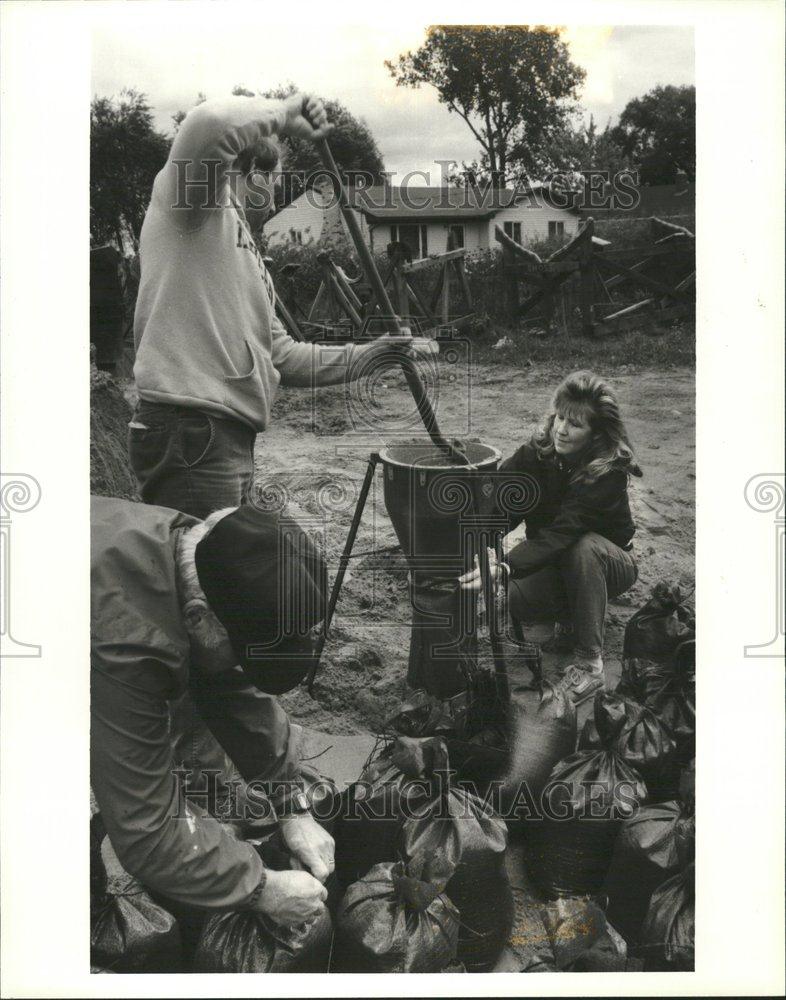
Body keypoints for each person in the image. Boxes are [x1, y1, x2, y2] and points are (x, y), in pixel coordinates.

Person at [129, 90, 434, 519]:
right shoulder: (190, 208)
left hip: (224, 436)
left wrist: (374, 354)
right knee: (211, 578)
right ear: (250, 171)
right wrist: (286, 113)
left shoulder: (244, 252)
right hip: (191, 430)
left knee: (236, 569)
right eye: (273, 179)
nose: (276, 193)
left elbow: (284, 357)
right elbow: (211, 119)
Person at [91, 495, 335, 925]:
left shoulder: (199, 550)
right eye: (242, 655)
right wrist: (261, 887)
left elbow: (227, 683)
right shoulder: (124, 645)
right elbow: (146, 828)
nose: (241, 669)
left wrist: (291, 804)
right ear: (198, 618)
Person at [459, 371, 641, 704]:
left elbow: (564, 532)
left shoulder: (607, 473)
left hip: (608, 562)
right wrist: (476, 539)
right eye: (559, 417)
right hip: (558, 561)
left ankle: (590, 663)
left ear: (596, 434)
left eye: (575, 424)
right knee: (515, 600)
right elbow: (502, 505)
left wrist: (506, 566)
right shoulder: (536, 455)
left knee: (584, 549)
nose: (561, 429)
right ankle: (574, 615)